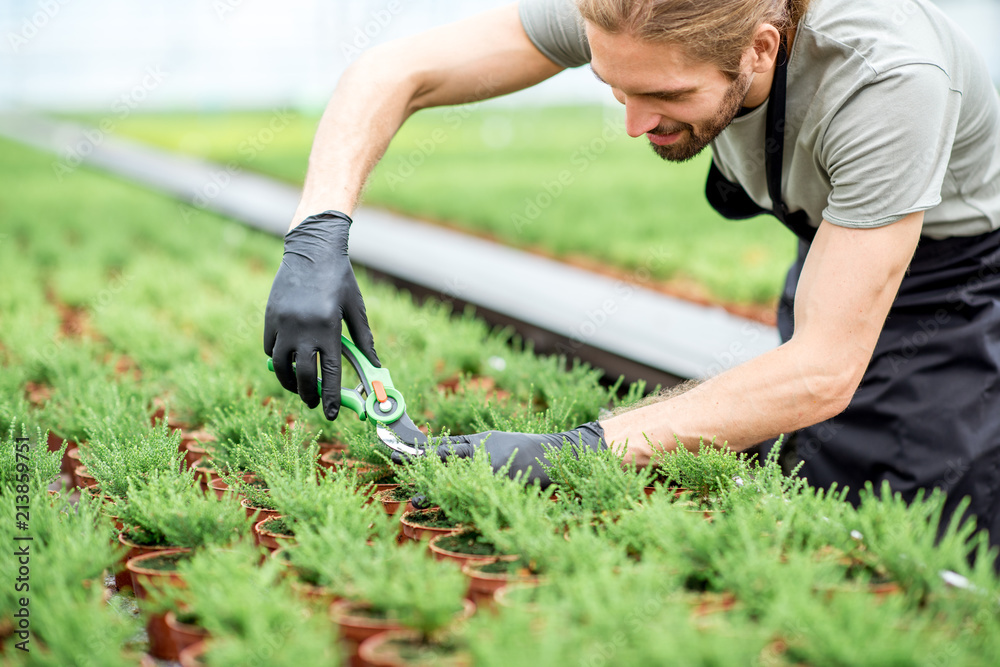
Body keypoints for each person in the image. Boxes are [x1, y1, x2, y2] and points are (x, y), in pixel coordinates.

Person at [264, 0, 1000, 545]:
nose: (633, 125)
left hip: (952, 276)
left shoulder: (888, 80)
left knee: (917, 521)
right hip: (830, 236)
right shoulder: (629, 8)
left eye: (668, 96)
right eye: (617, 88)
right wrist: (317, 231)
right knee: (810, 474)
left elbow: (820, 369)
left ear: (761, 49)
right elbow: (397, 69)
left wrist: (576, 448)